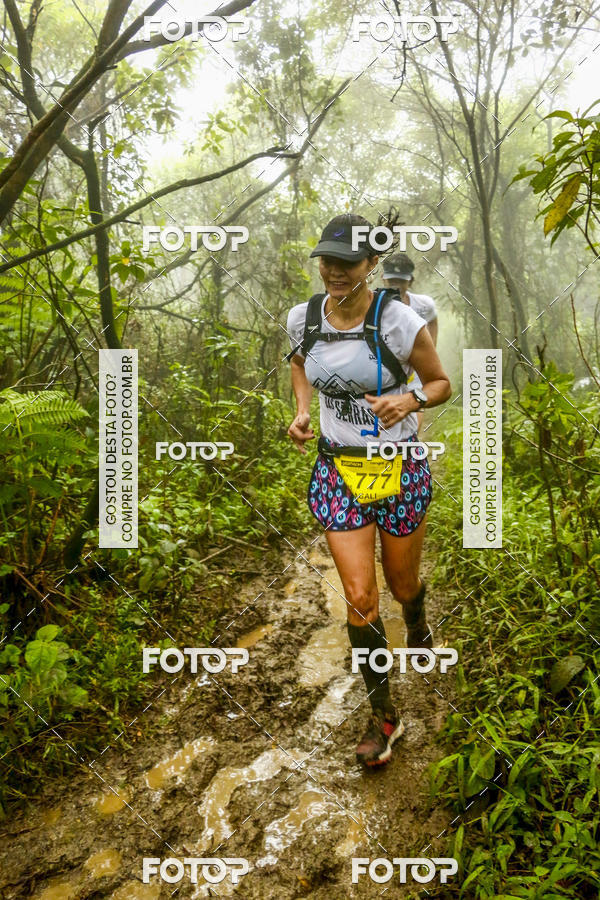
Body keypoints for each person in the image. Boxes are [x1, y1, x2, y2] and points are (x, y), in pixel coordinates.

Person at [286, 213, 452, 767]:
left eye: (346, 261)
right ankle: (384, 716)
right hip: (339, 469)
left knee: (401, 585)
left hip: (398, 464)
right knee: (360, 597)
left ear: (371, 263)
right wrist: (303, 411)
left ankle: (417, 619)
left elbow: (440, 383)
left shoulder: (400, 320)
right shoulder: (303, 318)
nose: (333, 271)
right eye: (326, 261)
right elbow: (300, 365)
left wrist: (410, 401)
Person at [382, 252, 438, 433]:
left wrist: (431, 350)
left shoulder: (424, 305)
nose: (396, 286)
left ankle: (411, 445)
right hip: (389, 371)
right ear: (384, 279)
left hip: (415, 370)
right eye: (392, 281)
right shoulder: (375, 307)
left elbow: (433, 320)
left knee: (415, 412)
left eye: (401, 281)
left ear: (411, 281)